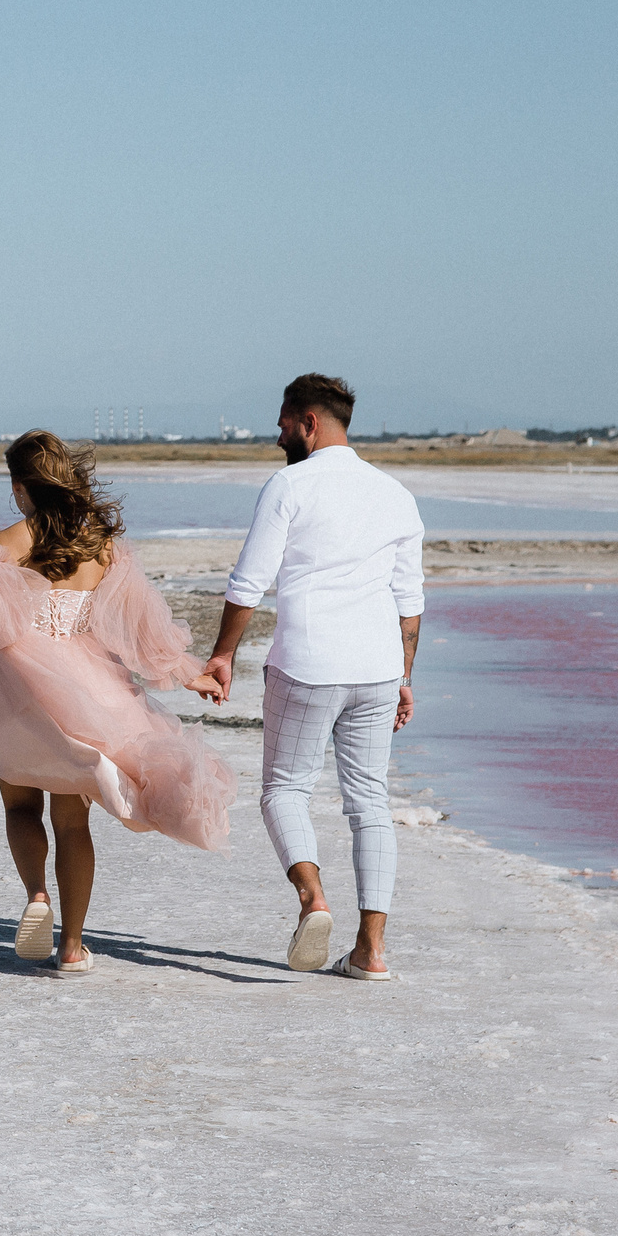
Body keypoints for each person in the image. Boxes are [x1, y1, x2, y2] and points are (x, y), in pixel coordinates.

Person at [0, 430, 237, 974]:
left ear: (20, 487)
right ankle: (71, 946)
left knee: (20, 806)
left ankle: (37, 896)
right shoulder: (102, 545)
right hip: (86, 697)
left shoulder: (1, 545)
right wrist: (190, 674)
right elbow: (143, 627)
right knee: (72, 822)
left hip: (20, 696)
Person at [190, 373, 423, 982]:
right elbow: (410, 601)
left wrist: (222, 656)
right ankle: (370, 952)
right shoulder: (395, 493)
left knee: (285, 791)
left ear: (310, 421)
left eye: (283, 422)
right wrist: (404, 676)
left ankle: (311, 898)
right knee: (370, 802)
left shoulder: (289, 484)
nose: (278, 434)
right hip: (377, 670)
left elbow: (249, 581)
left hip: (308, 665)